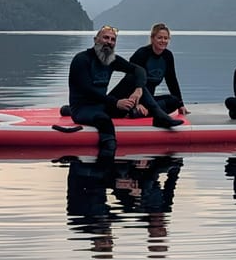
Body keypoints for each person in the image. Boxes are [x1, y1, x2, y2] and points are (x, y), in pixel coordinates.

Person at [67, 25, 184, 161]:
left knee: (132, 77)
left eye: (112, 39)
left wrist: (138, 89)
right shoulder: (81, 60)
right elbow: (87, 91)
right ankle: (106, 167)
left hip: (103, 105)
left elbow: (139, 71)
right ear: (96, 39)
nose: (109, 42)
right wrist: (116, 102)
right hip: (83, 109)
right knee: (104, 121)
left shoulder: (111, 59)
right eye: (106, 38)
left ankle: (158, 115)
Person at [109, 23, 188, 117]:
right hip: (129, 97)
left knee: (174, 101)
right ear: (152, 38)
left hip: (148, 101)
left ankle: (142, 111)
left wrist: (181, 105)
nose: (163, 41)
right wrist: (137, 103)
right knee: (133, 77)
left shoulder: (167, 56)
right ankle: (138, 110)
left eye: (165, 38)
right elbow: (130, 79)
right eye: (159, 38)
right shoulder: (142, 54)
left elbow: (172, 81)